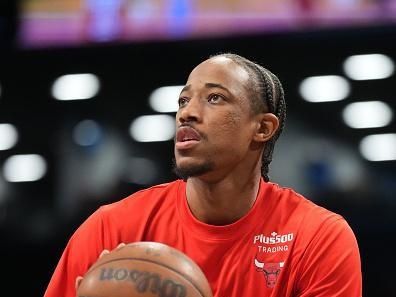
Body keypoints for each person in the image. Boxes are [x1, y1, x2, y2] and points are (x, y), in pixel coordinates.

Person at [44, 53, 362, 297]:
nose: (187, 112)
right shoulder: (111, 230)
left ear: (262, 128)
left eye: (214, 98)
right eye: (183, 100)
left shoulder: (318, 238)